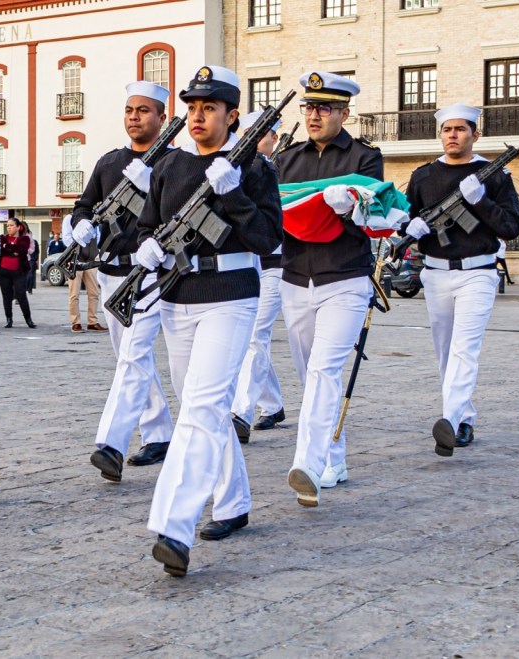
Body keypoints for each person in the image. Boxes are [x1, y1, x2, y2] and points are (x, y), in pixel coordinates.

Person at [138, 65, 282, 577]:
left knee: (200, 408)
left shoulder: (256, 169)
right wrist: (148, 246)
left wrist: (235, 193)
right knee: (205, 408)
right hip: (179, 296)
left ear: (232, 115)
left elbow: (268, 242)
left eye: (210, 108)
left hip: (231, 294)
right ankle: (233, 502)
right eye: (193, 108)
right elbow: (147, 226)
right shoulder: (170, 167)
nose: (198, 117)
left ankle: (174, 526)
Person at [273, 71, 384, 504]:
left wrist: (353, 206)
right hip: (296, 277)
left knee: (323, 371)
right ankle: (334, 456)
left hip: (346, 278)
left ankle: (309, 464)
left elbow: (376, 214)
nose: (314, 115)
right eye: (309, 107)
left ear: (344, 112)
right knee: (310, 374)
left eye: (324, 108)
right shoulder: (288, 159)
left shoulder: (364, 157)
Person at [402, 102, 519, 457]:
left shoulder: (494, 176)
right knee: (445, 352)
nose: (452, 135)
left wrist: (481, 202)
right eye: (447, 129)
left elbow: (512, 227)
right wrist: (412, 228)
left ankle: (451, 423)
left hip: (478, 273)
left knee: (463, 349)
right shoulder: (424, 176)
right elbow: (406, 221)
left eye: (460, 129)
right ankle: (463, 415)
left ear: (475, 135)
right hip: (437, 272)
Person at [74, 80, 174, 479]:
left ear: (162, 118)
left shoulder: (175, 162)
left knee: (133, 356)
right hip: (112, 270)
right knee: (130, 358)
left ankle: (111, 444)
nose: (135, 117)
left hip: (151, 272)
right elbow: (85, 205)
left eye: (144, 110)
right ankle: (160, 432)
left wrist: (153, 186)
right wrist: (80, 226)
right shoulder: (109, 162)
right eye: (130, 110)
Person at [230, 109, 286, 442]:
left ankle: (241, 411)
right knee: (253, 338)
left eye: (259, 133)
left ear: (274, 137)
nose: (251, 139)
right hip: (251, 263)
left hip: (279, 265)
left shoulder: (285, 165)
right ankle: (273, 403)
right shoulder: (241, 169)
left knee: (256, 337)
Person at [62, 214, 107, 332]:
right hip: (74, 260)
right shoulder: (70, 218)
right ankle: (75, 322)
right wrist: (77, 248)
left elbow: (98, 236)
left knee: (94, 293)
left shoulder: (95, 219)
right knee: (74, 293)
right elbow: (66, 238)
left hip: (91, 260)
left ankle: (92, 321)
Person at [0, 217, 36, 327]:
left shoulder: (24, 239)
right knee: (6, 296)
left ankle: (28, 319)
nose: (9, 227)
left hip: (19, 272)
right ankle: (9, 319)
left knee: (21, 294)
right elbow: (3, 250)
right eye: (7, 225)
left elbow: (21, 250)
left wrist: (9, 248)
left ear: (18, 227)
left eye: (11, 225)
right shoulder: (3, 238)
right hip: (3, 272)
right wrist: (11, 248)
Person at [25, 223, 39, 293]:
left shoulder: (34, 242)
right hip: (24, 259)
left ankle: (29, 288)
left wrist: (36, 260)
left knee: (30, 275)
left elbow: (37, 251)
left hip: (32, 260)